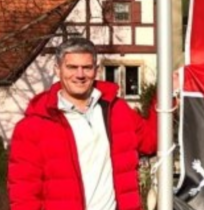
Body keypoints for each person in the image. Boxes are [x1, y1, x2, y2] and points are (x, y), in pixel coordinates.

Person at [8, 38, 158, 210]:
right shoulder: (32, 126)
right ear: (57, 69)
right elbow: (23, 195)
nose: (80, 74)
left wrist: (166, 97)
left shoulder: (117, 110)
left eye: (87, 67)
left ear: (96, 70)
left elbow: (152, 141)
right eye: (72, 67)